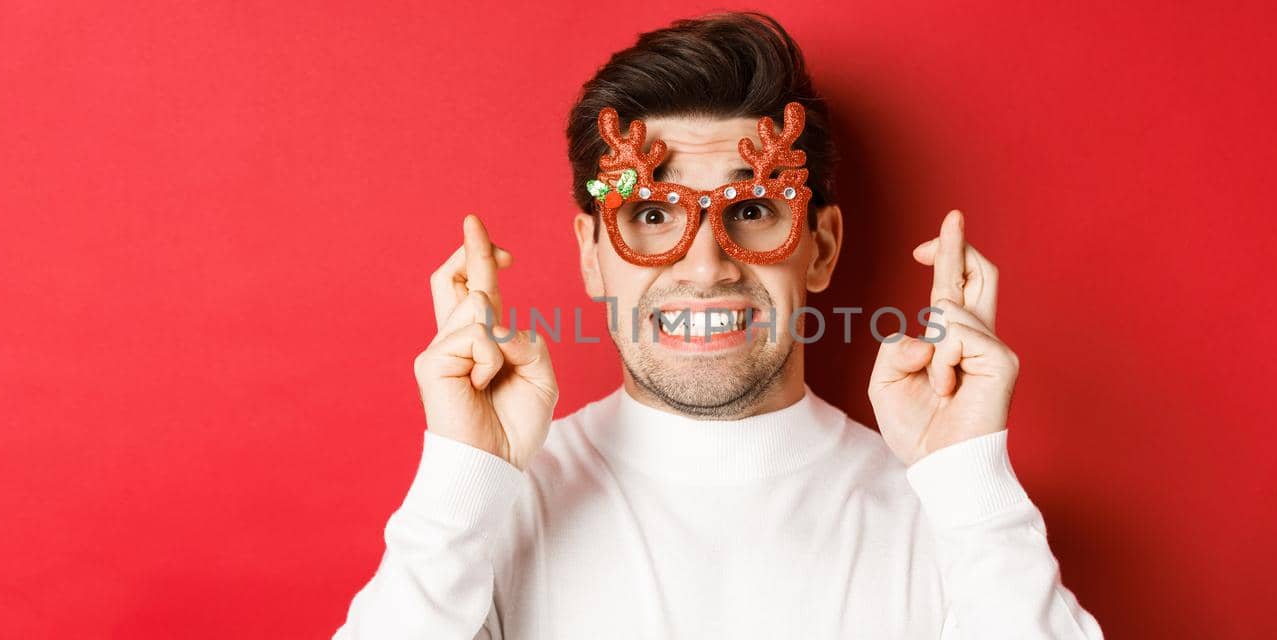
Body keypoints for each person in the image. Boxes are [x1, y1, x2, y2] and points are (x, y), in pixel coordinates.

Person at [335, 11, 1102, 639]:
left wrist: (969, 475)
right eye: (652, 213)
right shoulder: (498, 507)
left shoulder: (944, 511)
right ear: (594, 257)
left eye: (755, 210)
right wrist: (460, 479)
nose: (704, 268)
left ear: (821, 247)